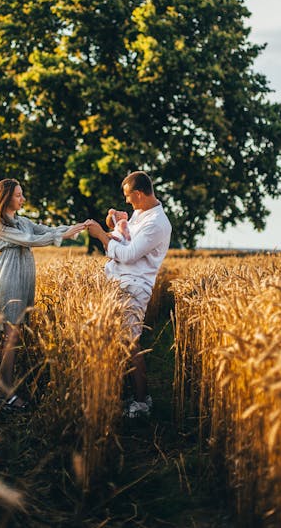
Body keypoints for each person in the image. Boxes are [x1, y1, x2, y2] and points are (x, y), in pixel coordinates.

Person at [0, 178, 86, 409]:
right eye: (18, 195)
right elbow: (31, 240)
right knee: (11, 337)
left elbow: (46, 230)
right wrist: (62, 236)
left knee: (10, 338)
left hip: (21, 281)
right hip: (6, 281)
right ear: (5, 198)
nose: (23, 199)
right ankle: (4, 394)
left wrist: (76, 228)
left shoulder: (22, 221)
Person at [86, 171, 172, 418]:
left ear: (139, 194)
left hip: (134, 287)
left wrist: (102, 236)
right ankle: (127, 394)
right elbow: (124, 242)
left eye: (128, 197)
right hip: (118, 283)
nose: (126, 202)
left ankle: (143, 402)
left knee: (131, 344)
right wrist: (116, 225)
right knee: (119, 342)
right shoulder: (140, 214)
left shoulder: (157, 223)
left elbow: (128, 254)